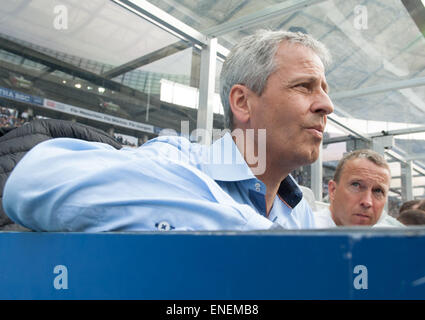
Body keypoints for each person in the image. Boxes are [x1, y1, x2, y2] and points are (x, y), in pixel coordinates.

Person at [3, 29, 334, 232]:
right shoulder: (177, 158)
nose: (326, 105)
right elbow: (33, 179)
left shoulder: (298, 210)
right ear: (243, 103)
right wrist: (262, 239)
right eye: (304, 87)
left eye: (325, 89)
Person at [315, 149, 405, 228]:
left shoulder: (389, 240)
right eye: (356, 185)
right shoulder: (305, 232)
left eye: (378, 191)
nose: (367, 202)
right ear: (333, 190)